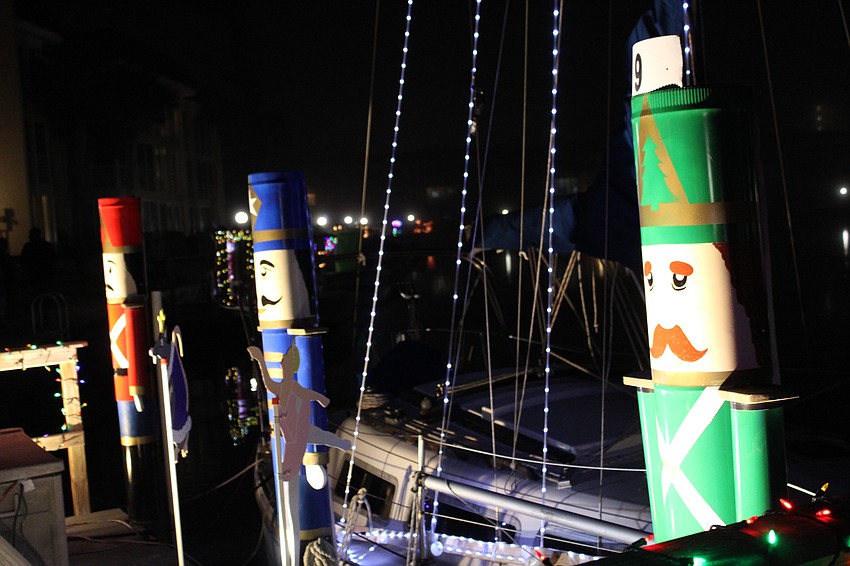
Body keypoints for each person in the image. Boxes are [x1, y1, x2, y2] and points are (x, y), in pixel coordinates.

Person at [20, 227, 57, 293]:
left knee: (36, 291)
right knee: (46, 290)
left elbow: (23, 260)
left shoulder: (28, 246)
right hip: (46, 272)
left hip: (33, 273)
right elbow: (54, 258)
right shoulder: (47, 245)